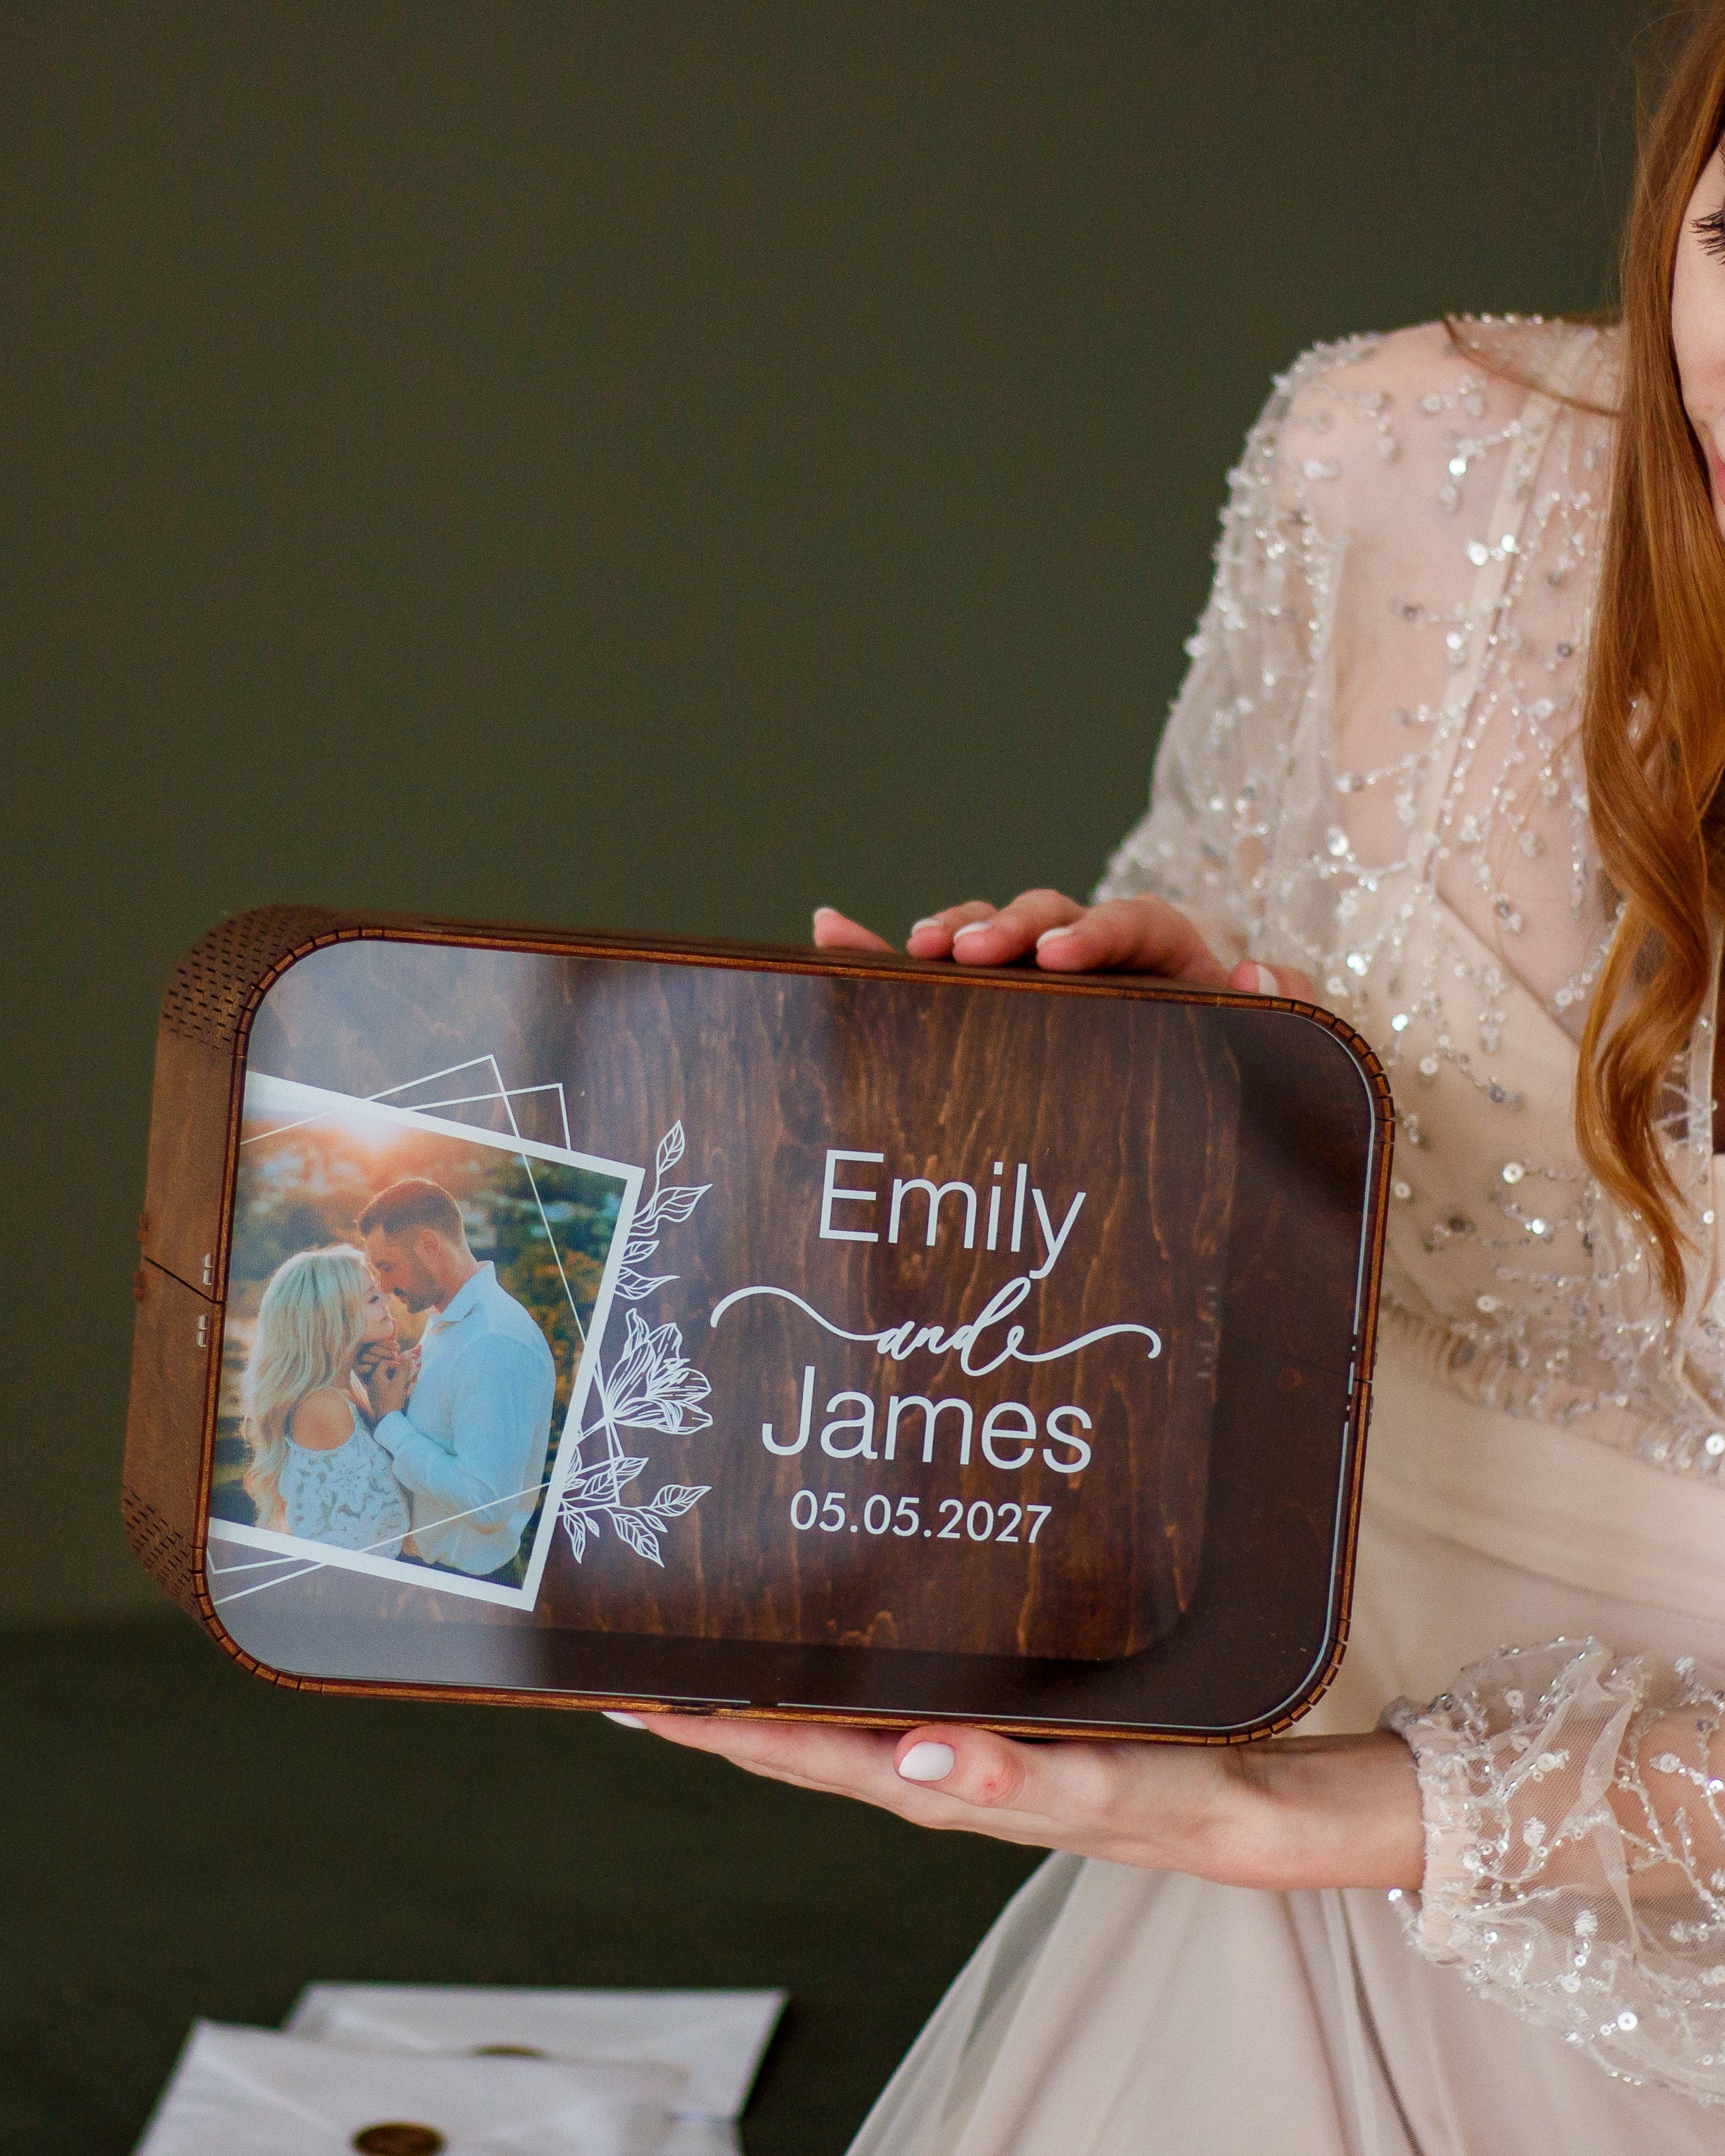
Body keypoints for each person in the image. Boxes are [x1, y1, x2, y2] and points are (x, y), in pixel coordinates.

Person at [602, 9, 1725, 2148]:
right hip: (1291, 1685)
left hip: (1440, 1833)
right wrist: (1163, 1057)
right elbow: (1217, 1022)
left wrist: (1314, 1817)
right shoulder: (1401, 456)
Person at [358, 1177, 557, 1584]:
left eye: (387, 1266)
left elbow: (486, 1506)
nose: (384, 1286)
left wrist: (390, 1422)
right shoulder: (451, 1323)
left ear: (429, 1246)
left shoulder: (493, 1343)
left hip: (467, 1584)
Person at [239, 1245, 411, 1559]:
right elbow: (352, 1546)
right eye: (373, 1298)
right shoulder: (324, 1408)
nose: (386, 1300)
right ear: (335, 1318)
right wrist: (390, 1415)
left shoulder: (347, 1390)